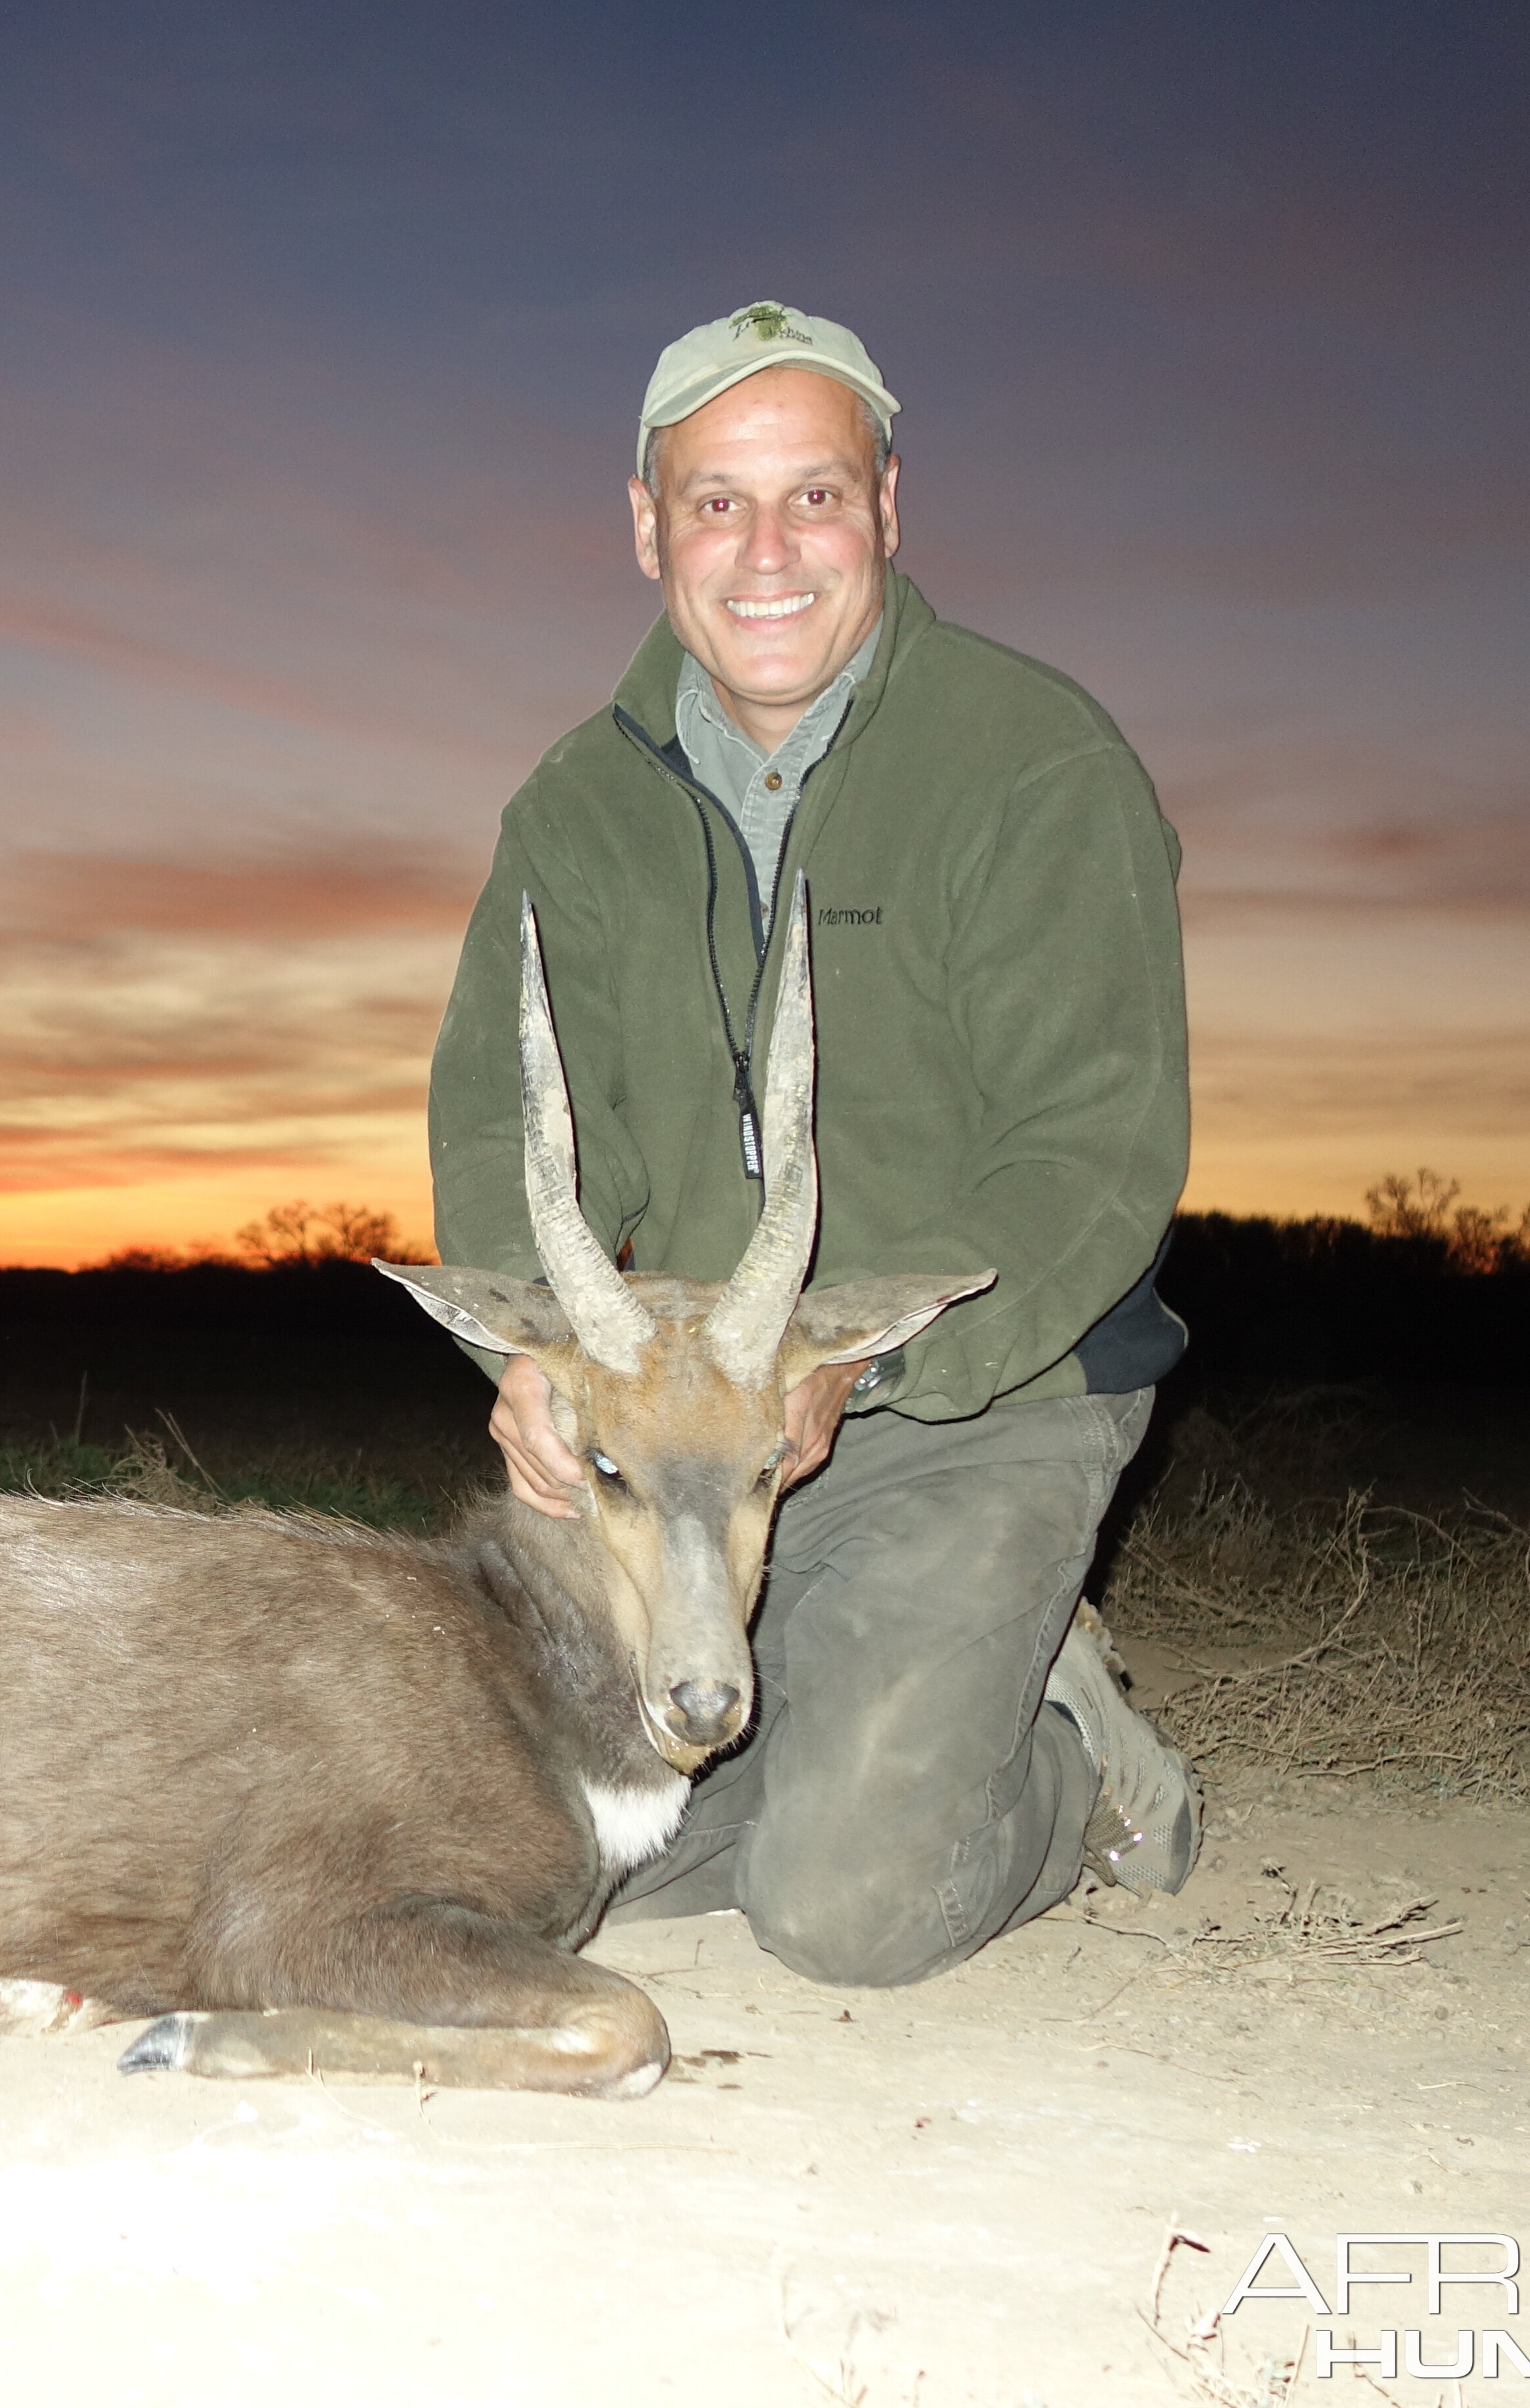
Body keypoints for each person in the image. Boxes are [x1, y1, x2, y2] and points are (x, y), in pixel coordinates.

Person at [424, 302, 1200, 1986]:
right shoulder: (575, 805)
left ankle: (1073, 1744)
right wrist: (547, 1359)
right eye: (718, 501)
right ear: (647, 526)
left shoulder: (1035, 764)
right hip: (690, 1425)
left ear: (889, 508)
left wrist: (874, 1364)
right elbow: (511, 1118)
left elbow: (1094, 1155)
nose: (767, 551)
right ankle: (867, 1702)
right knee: (536, 1856)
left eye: (816, 498)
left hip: (981, 1396)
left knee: (849, 1911)